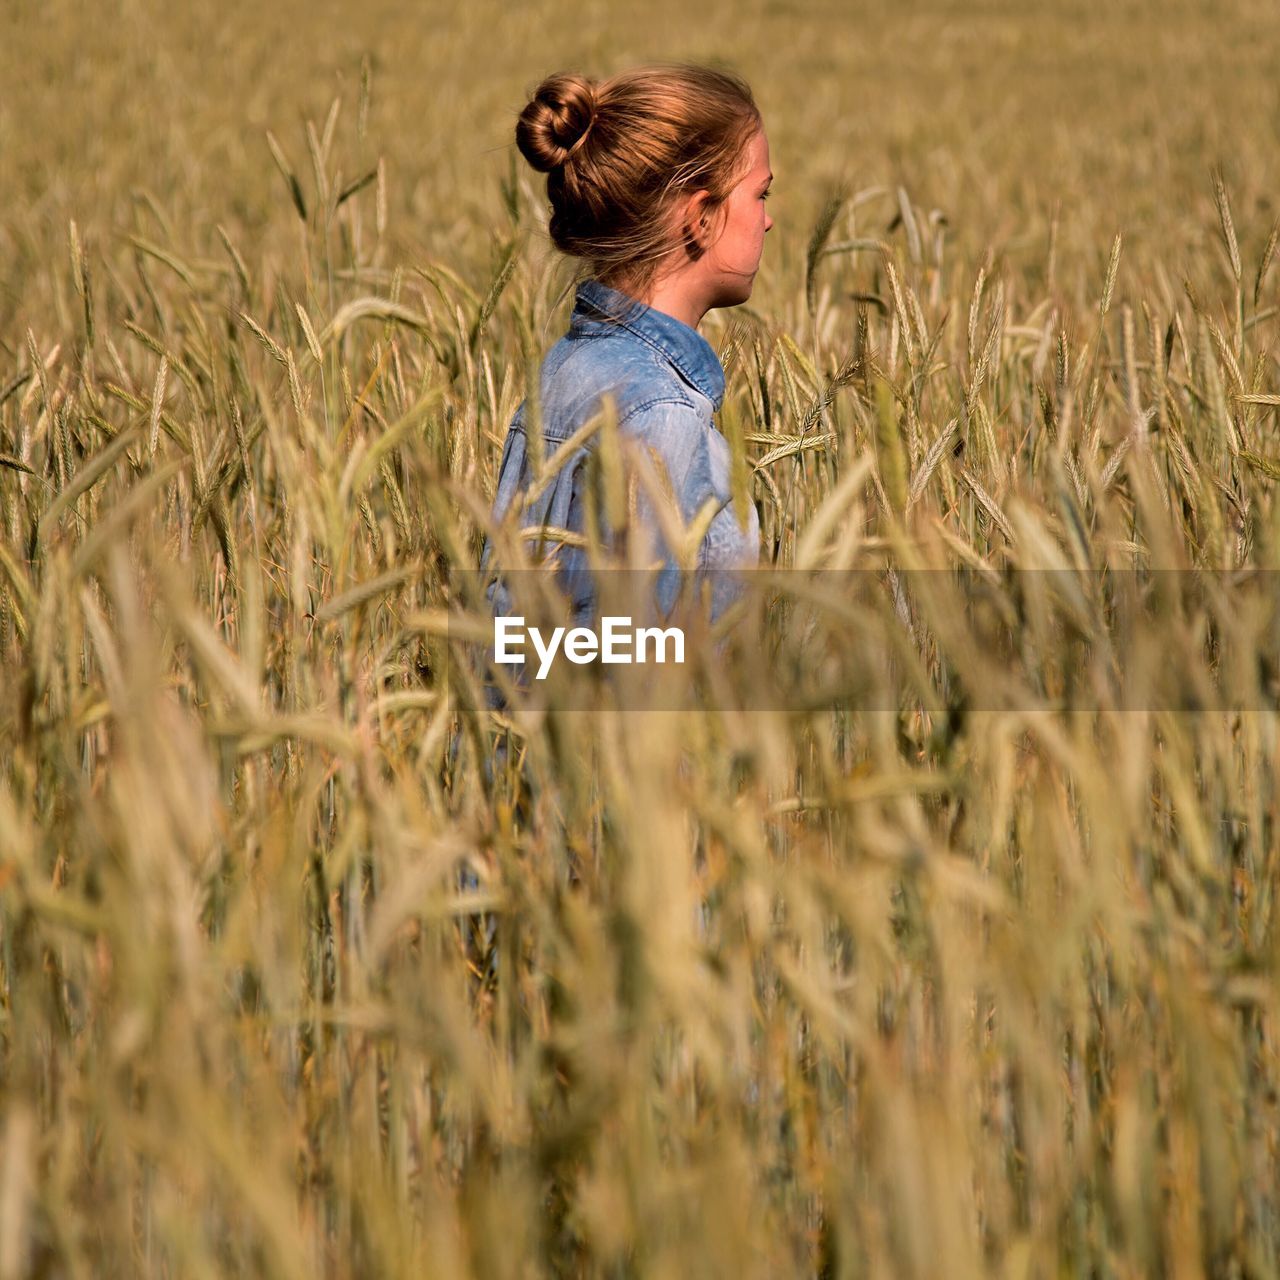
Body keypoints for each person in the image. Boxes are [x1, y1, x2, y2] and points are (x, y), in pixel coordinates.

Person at [478, 63, 773, 705]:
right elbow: (637, 675)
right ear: (700, 217)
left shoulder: (561, 370)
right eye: (760, 195)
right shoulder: (660, 414)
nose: (769, 220)